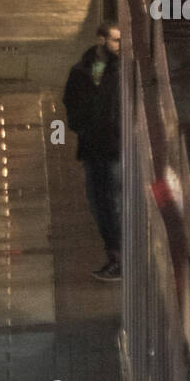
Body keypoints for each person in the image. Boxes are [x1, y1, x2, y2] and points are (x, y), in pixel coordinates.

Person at [63, 24, 122, 281]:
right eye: (116, 40)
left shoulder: (122, 69)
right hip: (93, 147)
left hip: (114, 147)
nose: (120, 46)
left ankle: (119, 257)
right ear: (101, 40)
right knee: (100, 203)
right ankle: (114, 255)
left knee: (113, 202)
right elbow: (71, 102)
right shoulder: (82, 70)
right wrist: (82, 127)